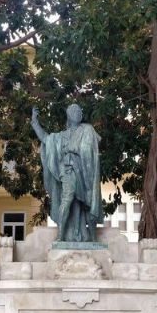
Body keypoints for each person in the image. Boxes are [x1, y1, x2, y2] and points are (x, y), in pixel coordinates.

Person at [31, 104, 103, 242]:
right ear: (69, 115)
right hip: (68, 172)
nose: (77, 113)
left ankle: (93, 237)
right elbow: (46, 139)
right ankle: (60, 234)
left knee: (89, 202)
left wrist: (77, 149)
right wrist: (35, 122)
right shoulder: (60, 136)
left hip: (85, 172)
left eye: (79, 111)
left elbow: (92, 148)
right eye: (73, 110)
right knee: (67, 199)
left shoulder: (88, 130)